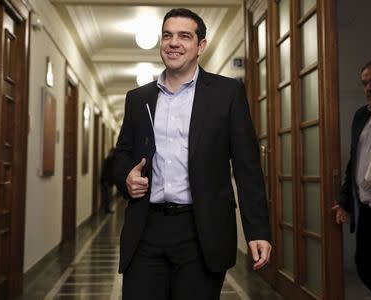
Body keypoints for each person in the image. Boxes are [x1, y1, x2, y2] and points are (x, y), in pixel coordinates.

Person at [113, 8, 271, 300]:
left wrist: (257, 229)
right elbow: (122, 152)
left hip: (202, 231)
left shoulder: (227, 93)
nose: (174, 42)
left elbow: (247, 165)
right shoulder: (138, 99)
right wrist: (126, 177)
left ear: (201, 46)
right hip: (146, 229)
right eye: (167, 35)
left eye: (184, 36)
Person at [333, 61, 371, 299]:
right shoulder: (360, 116)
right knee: (365, 267)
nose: (369, 87)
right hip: (366, 210)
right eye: (365, 82)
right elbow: (353, 162)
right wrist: (344, 201)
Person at [101, 147, 116, 213]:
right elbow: (111, 171)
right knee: (108, 196)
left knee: (107, 195)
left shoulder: (107, 159)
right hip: (107, 181)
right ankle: (107, 209)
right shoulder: (111, 160)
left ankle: (107, 208)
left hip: (106, 180)